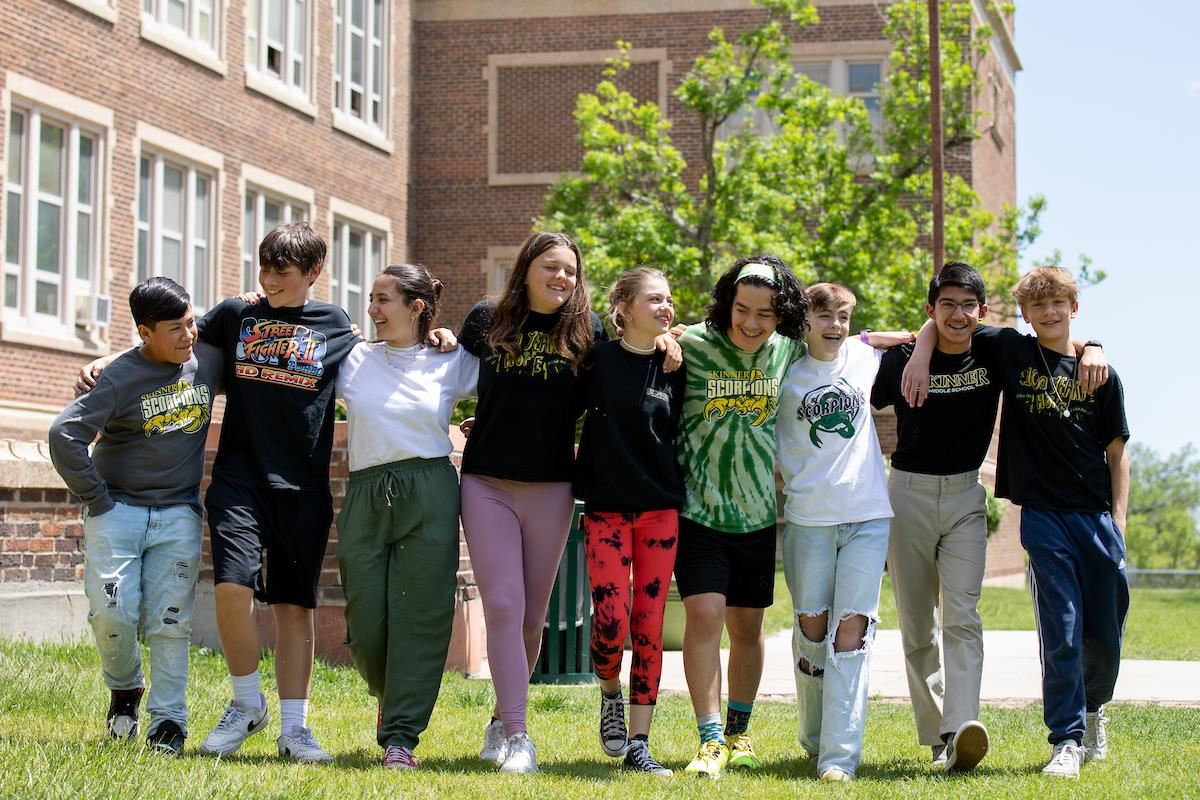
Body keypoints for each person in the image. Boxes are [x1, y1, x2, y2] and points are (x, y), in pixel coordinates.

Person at [872, 262, 1109, 773]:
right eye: (947, 305)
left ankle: (961, 730)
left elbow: (1056, 338)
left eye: (968, 305)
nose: (958, 314)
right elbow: (867, 364)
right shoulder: (901, 362)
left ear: (982, 311)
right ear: (931, 310)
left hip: (964, 496)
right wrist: (917, 352)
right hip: (907, 493)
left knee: (964, 617)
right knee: (917, 627)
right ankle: (936, 735)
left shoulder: (996, 348)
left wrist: (1095, 346)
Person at [49, 277, 222, 756]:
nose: (188, 336)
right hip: (117, 511)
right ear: (145, 333)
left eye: (191, 323)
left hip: (179, 513)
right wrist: (98, 499)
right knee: (112, 613)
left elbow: (238, 331)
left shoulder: (205, 360)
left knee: (170, 621)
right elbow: (64, 434)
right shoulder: (119, 377)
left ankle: (169, 722)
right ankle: (125, 689)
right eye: (175, 329)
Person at [456, 231, 605, 775]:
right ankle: (519, 736)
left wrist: (668, 339)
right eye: (550, 267)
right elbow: (440, 364)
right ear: (526, 269)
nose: (561, 277)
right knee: (502, 604)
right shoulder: (486, 319)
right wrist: (443, 336)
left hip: (552, 487)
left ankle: (500, 717)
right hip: (487, 483)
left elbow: (617, 382)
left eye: (570, 270)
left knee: (531, 620)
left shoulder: (589, 332)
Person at [334, 264, 478, 770]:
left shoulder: (451, 360)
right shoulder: (350, 359)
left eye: (383, 300)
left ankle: (401, 735)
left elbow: (510, 391)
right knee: (366, 620)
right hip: (367, 491)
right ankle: (387, 695)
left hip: (430, 489)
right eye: (371, 298)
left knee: (422, 616)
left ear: (417, 308)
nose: (371, 309)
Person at [673, 255, 809, 778]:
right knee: (705, 616)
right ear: (728, 302)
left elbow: (853, 343)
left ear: (781, 316)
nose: (751, 323)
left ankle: (739, 732)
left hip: (757, 516)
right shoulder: (692, 345)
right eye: (742, 309)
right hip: (699, 510)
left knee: (747, 626)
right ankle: (709, 739)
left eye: (766, 314)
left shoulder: (790, 353)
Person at [775, 282, 914, 782]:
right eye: (825, 315)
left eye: (844, 316)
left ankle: (839, 757)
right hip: (809, 519)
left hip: (866, 516)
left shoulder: (864, 357)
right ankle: (813, 737)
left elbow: (927, 334)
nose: (835, 325)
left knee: (851, 634)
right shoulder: (783, 368)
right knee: (813, 634)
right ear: (805, 319)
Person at [573, 267, 685, 777]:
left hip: (660, 507)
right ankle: (609, 693)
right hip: (606, 509)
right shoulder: (595, 360)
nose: (666, 308)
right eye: (655, 299)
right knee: (610, 619)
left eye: (668, 300)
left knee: (649, 624)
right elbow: (553, 409)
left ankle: (640, 742)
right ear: (625, 306)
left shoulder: (676, 364)